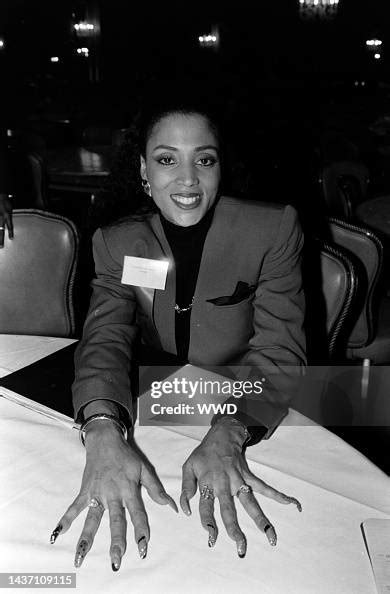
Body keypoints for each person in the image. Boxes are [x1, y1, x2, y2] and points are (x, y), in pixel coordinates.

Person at [50, 94, 306, 571]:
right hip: (160, 398)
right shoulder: (118, 240)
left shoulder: (271, 229)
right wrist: (102, 425)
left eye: (203, 160)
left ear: (220, 167)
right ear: (144, 172)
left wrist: (231, 430)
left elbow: (280, 349)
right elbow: (105, 339)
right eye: (167, 159)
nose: (188, 179)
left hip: (253, 398)